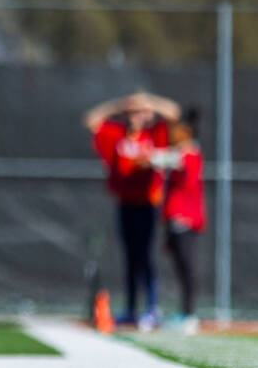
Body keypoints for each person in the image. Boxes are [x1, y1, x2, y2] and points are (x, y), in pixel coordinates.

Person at [83, 90, 179, 331]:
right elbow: (90, 120)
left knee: (146, 256)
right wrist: (119, 104)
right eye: (132, 112)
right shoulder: (118, 134)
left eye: (139, 112)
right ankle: (131, 308)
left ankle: (152, 307)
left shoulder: (153, 133)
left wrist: (150, 102)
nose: (136, 116)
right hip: (126, 202)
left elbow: (174, 113)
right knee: (130, 257)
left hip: (148, 202)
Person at [156, 107, 206, 334]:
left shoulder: (190, 154)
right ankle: (183, 312)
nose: (171, 133)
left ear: (186, 131)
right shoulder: (177, 154)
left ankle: (189, 314)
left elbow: (185, 174)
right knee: (179, 267)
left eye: (176, 130)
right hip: (173, 222)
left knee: (187, 267)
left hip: (186, 221)